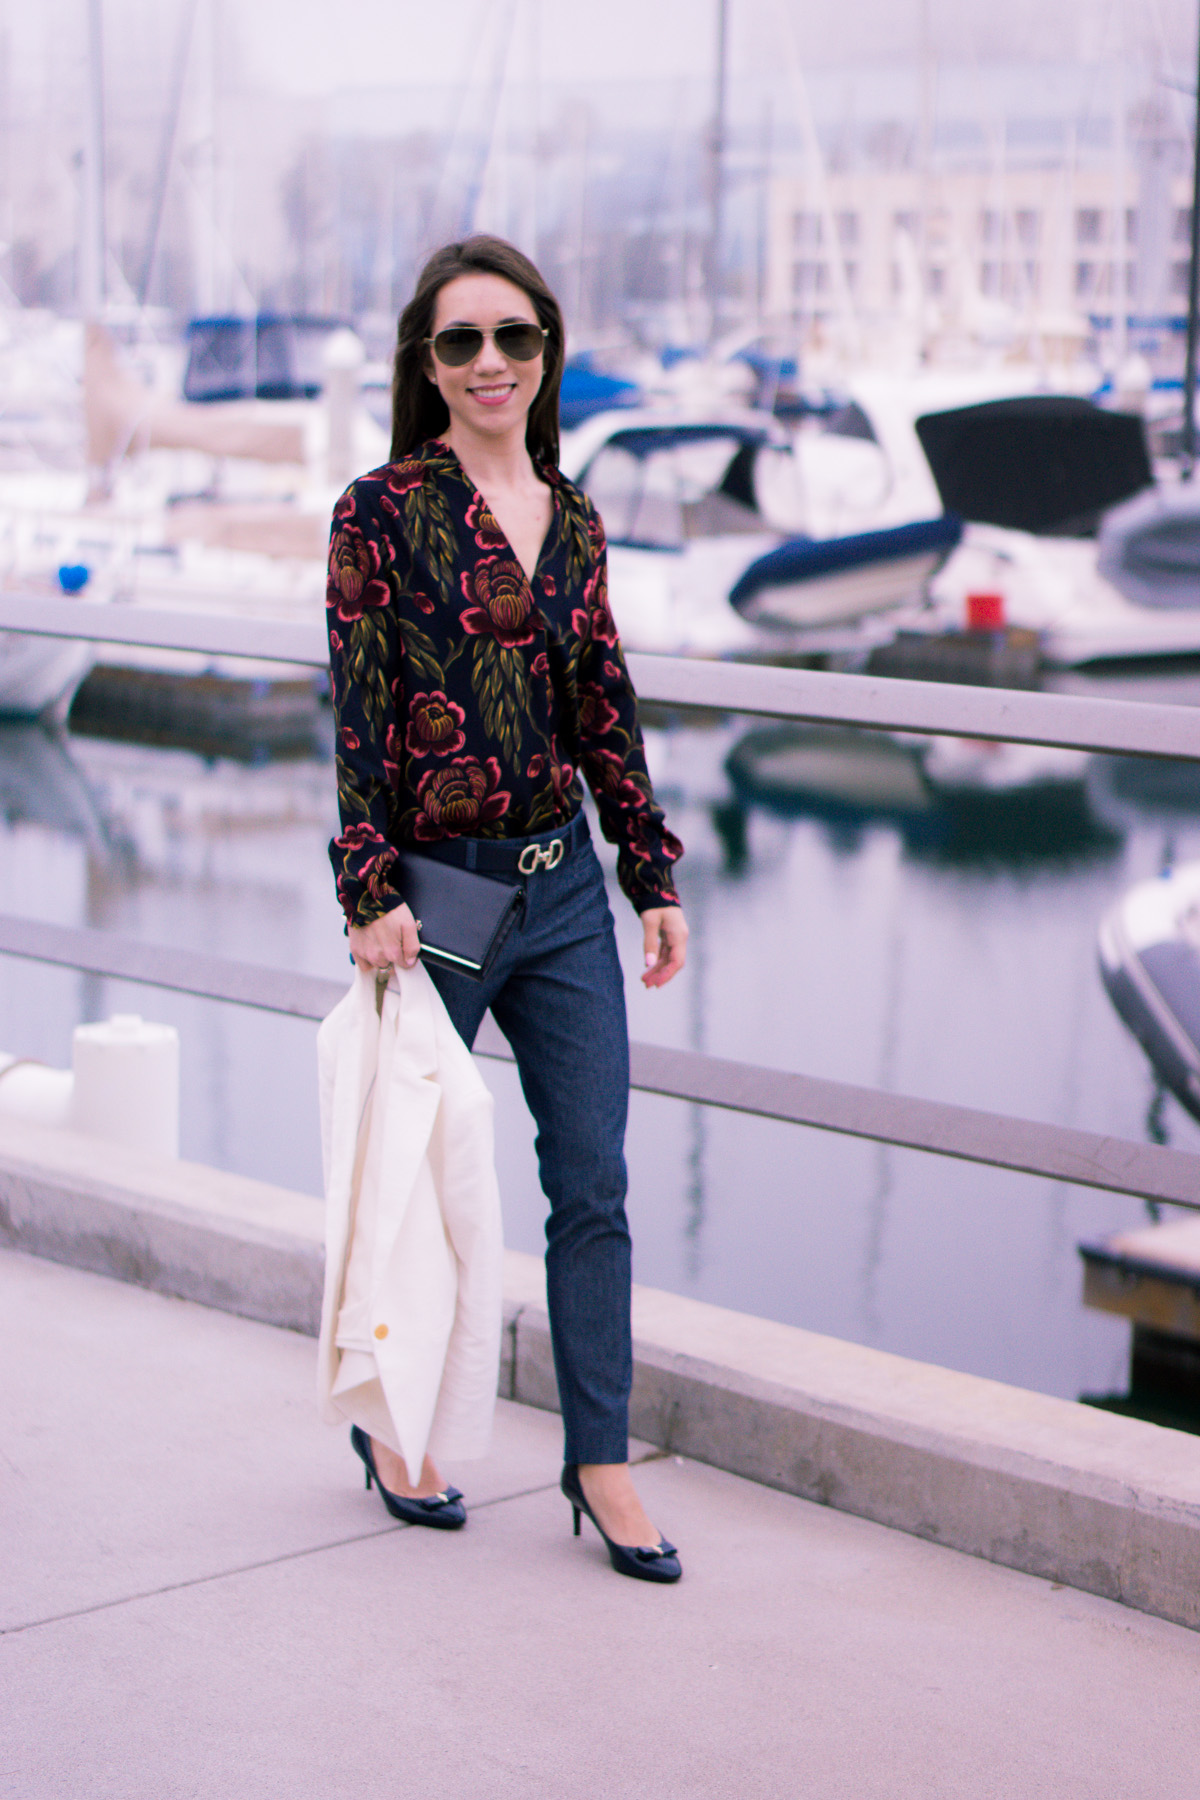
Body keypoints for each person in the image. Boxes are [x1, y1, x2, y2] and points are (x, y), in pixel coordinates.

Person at [325, 235, 688, 1582]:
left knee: (589, 1179)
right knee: (413, 1180)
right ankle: (395, 1424)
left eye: (516, 338)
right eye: (461, 341)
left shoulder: (576, 516)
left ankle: (600, 1461)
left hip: (562, 896)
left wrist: (648, 874)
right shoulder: (377, 512)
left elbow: (604, 703)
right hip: (441, 897)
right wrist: (366, 889)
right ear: (428, 364)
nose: (491, 363)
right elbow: (358, 719)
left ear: (549, 353)